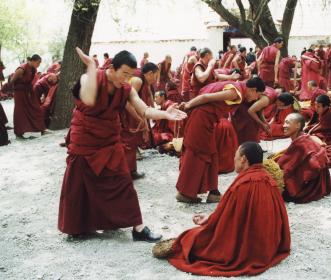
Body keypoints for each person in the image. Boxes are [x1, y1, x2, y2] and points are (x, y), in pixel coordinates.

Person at [58, 47, 187, 242]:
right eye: (124, 73)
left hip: (109, 138)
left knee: (123, 181)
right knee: (79, 182)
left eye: (130, 75)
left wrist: (165, 113)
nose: (126, 79)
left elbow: (144, 110)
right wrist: (92, 67)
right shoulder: (93, 78)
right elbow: (87, 97)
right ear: (112, 68)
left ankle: (138, 228)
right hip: (85, 136)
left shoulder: (125, 89)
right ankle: (78, 225)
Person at [163, 142, 290, 277]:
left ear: (243, 159)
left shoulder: (242, 185)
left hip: (250, 250)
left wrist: (209, 222)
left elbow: (226, 220)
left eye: (235, 156)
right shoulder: (269, 180)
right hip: (269, 246)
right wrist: (209, 217)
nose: (233, 160)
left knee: (190, 238)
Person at [176, 77, 266, 203]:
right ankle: (185, 193)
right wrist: (187, 105)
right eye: (258, 95)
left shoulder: (236, 86)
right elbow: (205, 97)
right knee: (197, 153)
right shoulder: (235, 92)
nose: (256, 99)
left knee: (211, 153)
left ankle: (213, 192)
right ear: (253, 89)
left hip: (206, 119)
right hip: (201, 119)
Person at [277, 113, 331, 203]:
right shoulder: (305, 137)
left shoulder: (300, 143)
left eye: (287, 123)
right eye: (284, 123)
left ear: (298, 125)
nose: (284, 126)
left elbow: (285, 167)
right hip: (321, 185)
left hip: (308, 188)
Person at [119, 62, 159, 179]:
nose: (156, 80)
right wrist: (139, 119)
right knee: (129, 141)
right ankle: (127, 172)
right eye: (156, 76)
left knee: (132, 141)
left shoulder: (143, 80)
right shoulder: (138, 80)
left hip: (133, 112)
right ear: (150, 74)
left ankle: (131, 170)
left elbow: (148, 95)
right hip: (127, 112)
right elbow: (127, 101)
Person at [10, 54, 46, 139]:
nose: (39, 64)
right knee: (20, 112)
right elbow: (12, 81)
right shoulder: (21, 68)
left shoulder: (34, 69)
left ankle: (41, 129)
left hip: (28, 91)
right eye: (38, 62)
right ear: (33, 61)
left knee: (35, 108)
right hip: (19, 92)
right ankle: (19, 133)